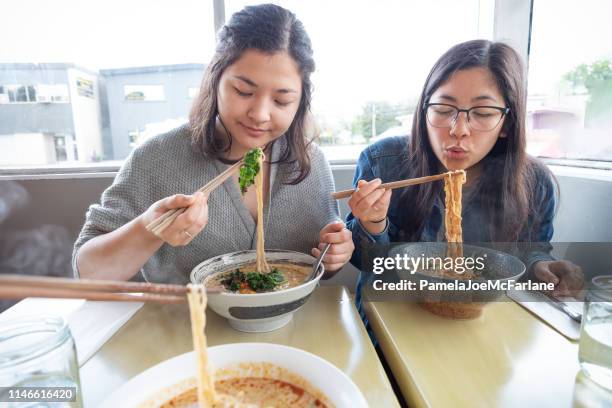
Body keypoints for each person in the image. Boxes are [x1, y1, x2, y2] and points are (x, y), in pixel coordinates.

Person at [73, 4, 353, 283]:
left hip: (293, 323)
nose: (260, 114)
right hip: (184, 323)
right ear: (215, 79)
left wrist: (334, 256)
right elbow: (88, 273)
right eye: (243, 91)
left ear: (301, 100)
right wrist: (149, 229)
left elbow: (320, 267)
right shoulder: (156, 158)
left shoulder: (311, 162)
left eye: (281, 100)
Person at [346, 40, 582, 306]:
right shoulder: (382, 163)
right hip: (395, 318)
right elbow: (365, 263)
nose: (459, 129)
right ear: (425, 112)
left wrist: (541, 267)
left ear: (506, 123)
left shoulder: (534, 181)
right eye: (444, 110)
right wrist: (372, 223)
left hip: (481, 319)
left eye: (482, 113)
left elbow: (531, 252)